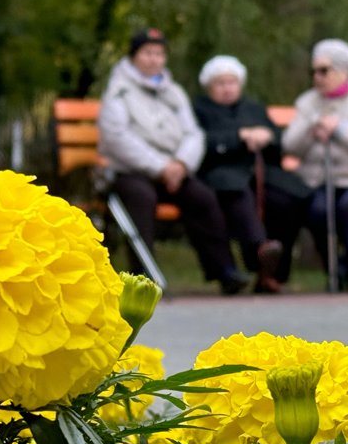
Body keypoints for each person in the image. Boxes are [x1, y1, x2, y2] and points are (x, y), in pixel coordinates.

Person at [98, 28, 250, 294]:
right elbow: (117, 138)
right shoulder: (118, 91)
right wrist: (161, 167)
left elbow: (193, 133)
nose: (154, 60)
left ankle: (224, 270)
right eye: (148, 53)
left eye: (159, 54)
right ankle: (143, 277)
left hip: (174, 171)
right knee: (140, 197)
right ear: (134, 57)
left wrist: (181, 164)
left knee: (202, 197)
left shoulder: (174, 92)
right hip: (132, 172)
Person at [194, 55, 311, 293]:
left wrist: (267, 137)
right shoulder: (199, 109)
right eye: (221, 83)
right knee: (237, 192)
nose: (227, 88)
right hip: (221, 174)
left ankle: (274, 272)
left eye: (232, 82)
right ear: (209, 86)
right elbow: (200, 144)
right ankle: (260, 249)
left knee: (288, 198)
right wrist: (239, 137)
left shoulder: (254, 108)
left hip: (260, 172)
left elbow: (278, 142)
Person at [282, 39, 348, 292]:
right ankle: (335, 268)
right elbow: (289, 145)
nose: (317, 77)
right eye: (314, 71)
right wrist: (311, 128)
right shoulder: (307, 102)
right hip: (317, 180)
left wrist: (340, 129)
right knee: (317, 210)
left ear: (344, 71)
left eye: (324, 70)